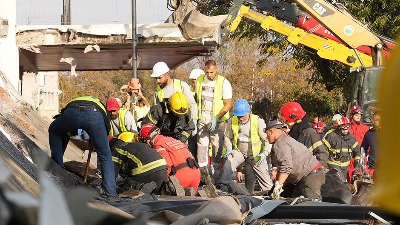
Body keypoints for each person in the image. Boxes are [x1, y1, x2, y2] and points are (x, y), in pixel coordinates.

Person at [48, 96, 116, 196]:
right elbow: (105, 132)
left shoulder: (74, 101)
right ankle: (111, 192)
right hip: (94, 114)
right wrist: (95, 141)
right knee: (105, 154)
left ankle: (57, 170)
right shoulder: (102, 111)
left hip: (72, 112)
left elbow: (65, 122)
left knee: (55, 131)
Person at [217, 99, 273, 194]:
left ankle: (271, 193)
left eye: (242, 116)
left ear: (249, 112)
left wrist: (264, 154)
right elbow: (227, 136)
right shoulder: (233, 120)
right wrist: (229, 147)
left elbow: (267, 140)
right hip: (239, 152)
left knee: (266, 180)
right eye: (238, 116)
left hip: (256, 155)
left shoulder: (258, 122)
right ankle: (222, 188)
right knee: (228, 163)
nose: (240, 119)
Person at [265, 120, 325, 200]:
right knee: (293, 201)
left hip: (311, 179)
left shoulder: (280, 143)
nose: (266, 137)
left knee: (311, 208)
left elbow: (286, 166)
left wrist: (278, 185)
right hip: (315, 174)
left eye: (267, 134)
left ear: (271, 131)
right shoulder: (288, 140)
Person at [140, 123, 201, 196]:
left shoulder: (158, 145)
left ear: (148, 138)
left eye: (144, 141)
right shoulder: (174, 140)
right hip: (196, 175)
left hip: (180, 178)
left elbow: (166, 165)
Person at [196, 60, 233, 179]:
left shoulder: (224, 83)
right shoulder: (200, 80)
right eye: (207, 72)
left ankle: (216, 174)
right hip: (203, 118)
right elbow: (197, 99)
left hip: (217, 121)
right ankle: (203, 173)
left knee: (217, 147)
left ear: (216, 69)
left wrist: (216, 118)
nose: (209, 75)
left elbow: (228, 104)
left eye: (211, 72)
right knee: (202, 146)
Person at [150, 61, 198, 132]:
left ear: (166, 74)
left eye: (160, 78)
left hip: (182, 127)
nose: (157, 81)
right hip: (166, 129)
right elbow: (156, 111)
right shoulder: (157, 91)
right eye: (156, 78)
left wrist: (193, 120)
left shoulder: (181, 85)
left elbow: (192, 104)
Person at [279, 102, 329, 168]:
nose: (285, 123)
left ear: (293, 118)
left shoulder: (310, 133)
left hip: (309, 175)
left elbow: (322, 155)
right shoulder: (294, 134)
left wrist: (315, 172)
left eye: (286, 120)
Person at [322, 117, 361, 182]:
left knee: (342, 183)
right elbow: (323, 150)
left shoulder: (352, 138)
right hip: (333, 164)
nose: (345, 131)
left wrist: (357, 164)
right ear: (339, 127)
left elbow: (357, 151)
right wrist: (323, 163)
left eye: (347, 129)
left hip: (345, 166)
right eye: (343, 129)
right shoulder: (331, 136)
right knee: (340, 182)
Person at [347, 105, 370, 182]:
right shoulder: (346, 128)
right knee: (349, 180)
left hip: (361, 157)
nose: (358, 117)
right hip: (349, 158)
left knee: (361, 180)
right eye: (356, 115)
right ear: (352, 115)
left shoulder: (366, 128)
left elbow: (370, 142)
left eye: (360, 115)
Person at [361, 110, 380, 176]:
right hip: (373, 169)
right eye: (377, 120)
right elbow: (363, 150)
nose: (380, 122)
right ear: (373, 121)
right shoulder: (369, 134)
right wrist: (363, 165)